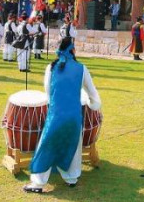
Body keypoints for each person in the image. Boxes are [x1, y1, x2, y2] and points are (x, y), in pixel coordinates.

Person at [23, 37, 101, 193]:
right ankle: (71, 178)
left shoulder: (51, 68)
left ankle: (38, 183)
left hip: (56, 115)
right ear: (72, 50)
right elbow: (93, 94)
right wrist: (94, 105)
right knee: (73, 144)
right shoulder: (82, 68)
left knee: (46, 146)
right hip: (73, 115)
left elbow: (48, 92)